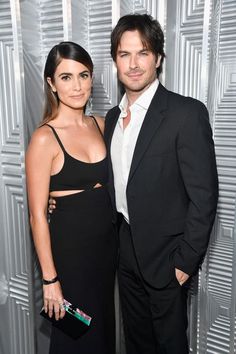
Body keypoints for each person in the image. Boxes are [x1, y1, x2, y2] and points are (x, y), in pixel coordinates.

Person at [103, 13, 219, 354]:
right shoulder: (111, 118)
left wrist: (185, 262)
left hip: (168, 261)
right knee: (137, 342)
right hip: (125, 254)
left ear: (159, 58)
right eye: (125, 54)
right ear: (116, 61)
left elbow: (204, 196)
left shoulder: (186, 113)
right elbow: (112, 180)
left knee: (169, 346)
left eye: (144, 52)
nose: (134, 64)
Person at [25, 41, 117, 354]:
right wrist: (50, 281)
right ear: (51, 83)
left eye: (83, 75)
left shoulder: (102, 125)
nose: (77, 86)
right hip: (70, 259)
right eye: (66, 77)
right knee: (76, 337)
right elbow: (37, 215)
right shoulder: (43, 138)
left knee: (102, 334)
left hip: (106, 254)